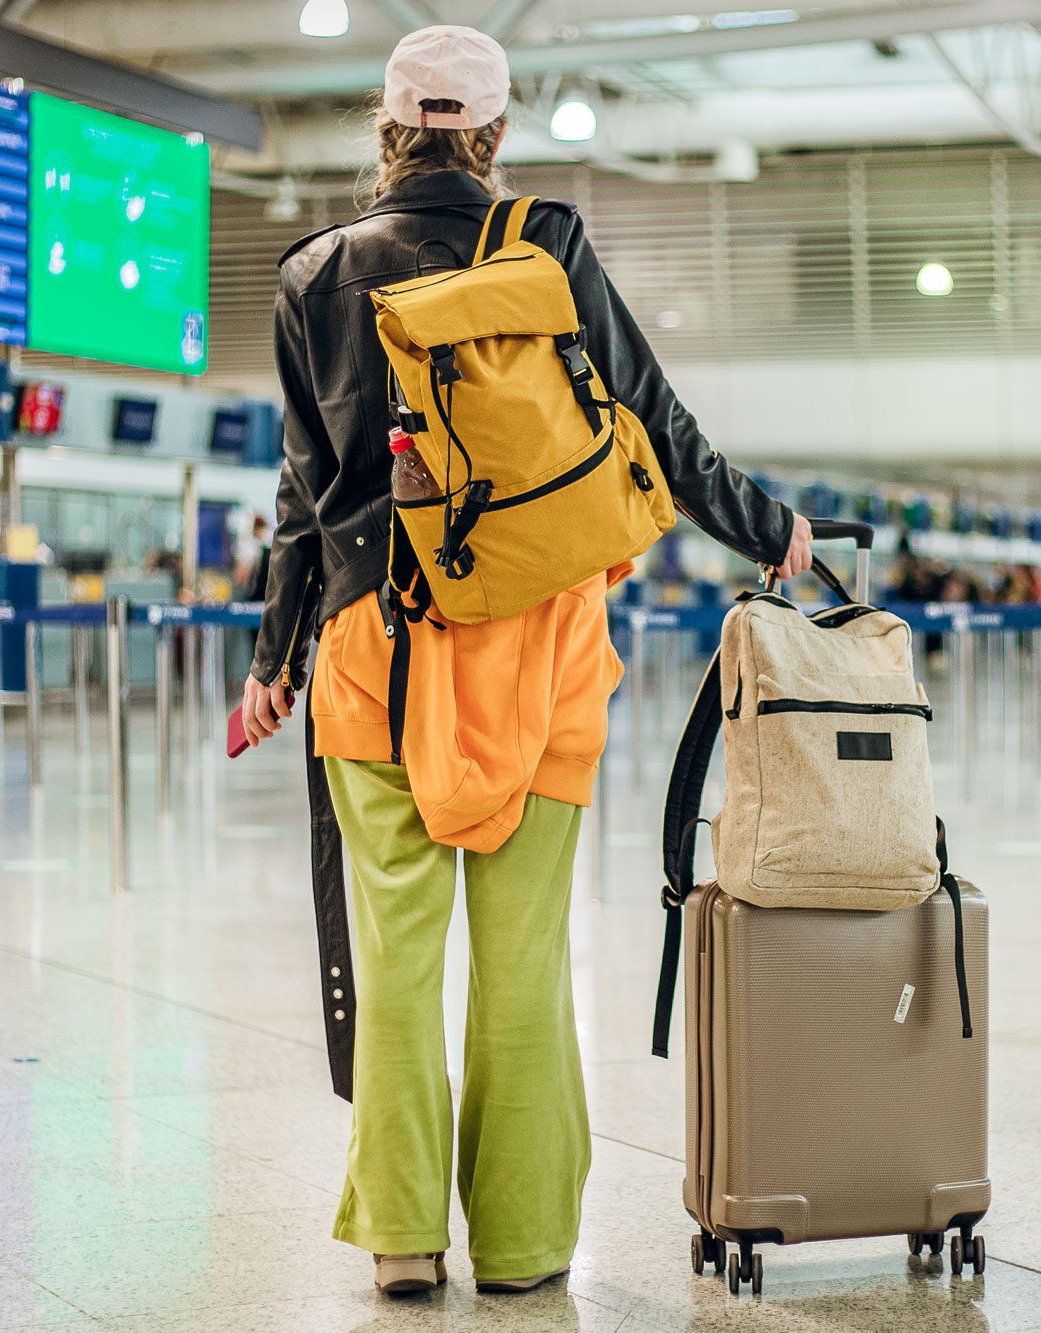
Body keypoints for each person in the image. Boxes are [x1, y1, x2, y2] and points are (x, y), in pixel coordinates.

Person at [237, 25, 811, 1300]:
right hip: (538, 652)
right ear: (492, 137)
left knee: (393, 960)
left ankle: (400, 1236)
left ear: (386, 131)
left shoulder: (312, 272)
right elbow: (653, 417)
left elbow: (299, 491)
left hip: (367, 657)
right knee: (521, 962)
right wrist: (768, 529)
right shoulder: (543, 245)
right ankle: (523, 1244)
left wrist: (269, 656)